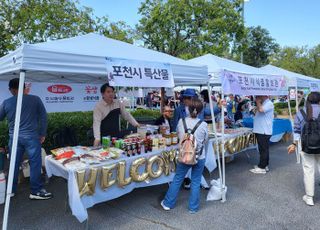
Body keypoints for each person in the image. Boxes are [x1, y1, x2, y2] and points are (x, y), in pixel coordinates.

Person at [0, 78, 52, 199]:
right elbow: (43, 118)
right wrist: (42, 134)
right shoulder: (35, 99)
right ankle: (35, 191)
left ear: (11, 90)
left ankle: (10, 191)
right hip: (31, 137)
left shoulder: (7, 102)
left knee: (13, 163)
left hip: (14, 138)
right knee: (35, 163)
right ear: (24, 88)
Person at [161, 98, 208, 213]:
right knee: (196, 181)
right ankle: (193, 208)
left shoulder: (181, 122)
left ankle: (168, 203)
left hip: (184, 156)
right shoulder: (204, 124)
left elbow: (178, 136)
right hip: (199, 157)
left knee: (177, 179)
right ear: (200, 111)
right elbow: (205, 140)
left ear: (188, 109)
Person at [288, 92, 320, 206]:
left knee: (308, 171)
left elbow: (296, 130)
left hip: (306, 146)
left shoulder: (301, 112)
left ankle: (309, 197)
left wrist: (294, 144)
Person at [250, 95, 274, 174]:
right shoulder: (263, 103)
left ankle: (262, 167)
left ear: (264, 95)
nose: (257, 97)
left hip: (264, 131)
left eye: (258, 96)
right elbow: (257, 112)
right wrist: (258, 104)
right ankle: (264, 165)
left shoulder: (269, 103)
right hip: (260, 130)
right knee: (262, 149)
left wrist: (258, 102)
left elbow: (261, 110)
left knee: (263, 149)